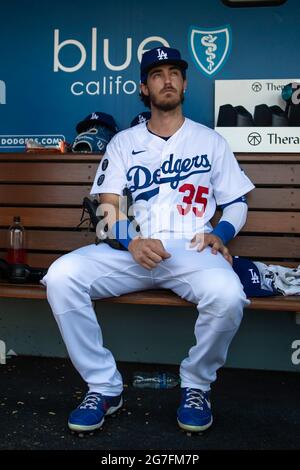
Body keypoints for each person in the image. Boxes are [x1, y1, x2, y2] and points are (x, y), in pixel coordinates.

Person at [43, 46, 255, 434]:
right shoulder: (123, 142)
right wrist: (132, 243)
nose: (168, 79)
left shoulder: (210, 142)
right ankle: (104, 387)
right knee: (61, 276)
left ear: (185, 83)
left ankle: (196, 385)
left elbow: (237, 204)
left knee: (228, 296)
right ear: (144, 88)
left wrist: (219, 234)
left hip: (192, 248)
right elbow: (108, 207)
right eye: (157, 74)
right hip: (133, 249)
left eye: (174, 72)